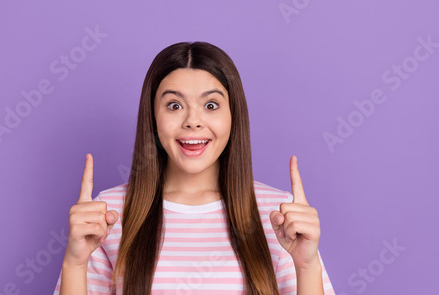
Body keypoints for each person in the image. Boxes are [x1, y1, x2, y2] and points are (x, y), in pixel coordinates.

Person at [53, 42, 335, 295]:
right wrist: (74, 263)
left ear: (233, 116)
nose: (193, 121)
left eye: (211, 105)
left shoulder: (279, 214)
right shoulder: (107, 213)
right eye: (174, 105)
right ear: (152, 118)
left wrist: (307, 266)